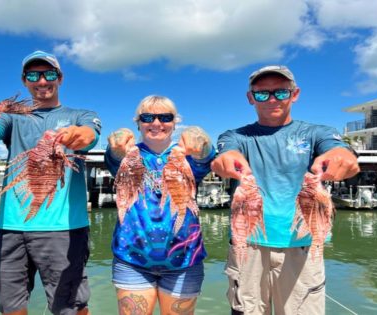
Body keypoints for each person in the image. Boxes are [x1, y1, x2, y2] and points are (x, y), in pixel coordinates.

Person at [211, 65, 360, 315]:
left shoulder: (316, 132)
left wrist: (341, 157)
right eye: (262, 94)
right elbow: (226, 154)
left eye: (281, 92)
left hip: (303, 245)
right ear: (250, 98)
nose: (271, 99)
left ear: (295, 94)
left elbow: (339, 151)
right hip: (248, 245)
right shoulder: (237, 135)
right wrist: (226, 162)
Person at [0, 50, 101, 315]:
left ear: (60, 78)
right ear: (24, 80)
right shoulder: (13, 118)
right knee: (11, 304)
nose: (42, 81)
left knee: (71, 306)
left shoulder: (80, 114)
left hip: (63, 228)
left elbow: (90, 134)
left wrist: (79, 136)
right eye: (33, 75)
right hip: (10, 227)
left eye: (49, 74)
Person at [104, 95, 215, 315]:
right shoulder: (129, 156)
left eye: (165, 117)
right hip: (131, 258)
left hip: (185, 258)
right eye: (148, 117)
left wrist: (200, 139)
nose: (156, 123)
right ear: (138, 122)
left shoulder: (188, 158)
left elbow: (206, 157)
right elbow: (114, 155)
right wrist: (117, 142)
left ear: (175, 122)